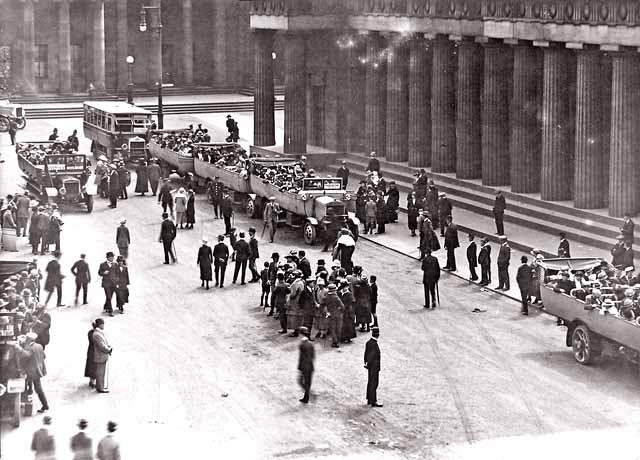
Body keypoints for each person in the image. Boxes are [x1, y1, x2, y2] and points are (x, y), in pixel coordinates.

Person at [15, 332, 49, 413]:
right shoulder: (39, 346)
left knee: (35, 388)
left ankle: (43, 405)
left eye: (26, 338)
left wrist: (18, 347)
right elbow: (44, 356)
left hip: (32, 371)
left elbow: (25, 355)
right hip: (38, 370)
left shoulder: (30, 347)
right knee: (34, 387)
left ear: (29, 339)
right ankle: (42, 404)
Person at [92, 318, 112, 393]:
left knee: (101, 372)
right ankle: (100, 388)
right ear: (100, 324)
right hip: (100, 356)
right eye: (103, 324)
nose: (104, 325)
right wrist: (108, 350)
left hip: (101, 356)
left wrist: (108, 346)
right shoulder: (97, 334)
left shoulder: (98, 333)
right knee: (100, 373)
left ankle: (100, 387)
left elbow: (103, 343)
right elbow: (102, 346)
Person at [364, 327, 382, 407]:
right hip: (374, 367)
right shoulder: (374, 344)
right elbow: (371, 356)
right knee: (374, 383)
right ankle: (373, 400)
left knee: (370, 382)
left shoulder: (368, 343)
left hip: (370, 366)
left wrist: (366, 363)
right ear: (378, 335)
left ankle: (369, 399)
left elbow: (366, 354)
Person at [323, 283, 345, 348]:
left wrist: (326, 312)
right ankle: (337, 341)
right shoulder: (336, 297)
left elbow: (322, 305)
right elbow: (342, 306)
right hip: (338, 315)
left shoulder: (326, 297)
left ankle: (334, 342)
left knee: (332, 329)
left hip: (330, 314)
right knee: (338, 328)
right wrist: (340, 311)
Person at [297, 326, 315, 404]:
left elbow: (301, 358)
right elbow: (313, 356)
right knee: (308, 382)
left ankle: (308, 395)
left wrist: (300, 367)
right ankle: (306, 396)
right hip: (310, 366)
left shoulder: (302, 345)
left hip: (304, 366)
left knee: (301, 381)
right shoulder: (311, 344)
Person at [85, 321, 98, 388]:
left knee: (91, 366)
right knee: (94, 366)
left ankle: (91, 381)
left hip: (90, 350)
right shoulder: (96, 333)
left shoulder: (90, 332)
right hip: (94, 351)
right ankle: (92, 382)